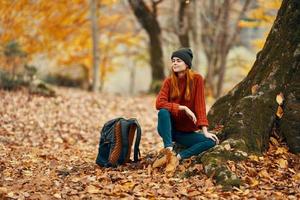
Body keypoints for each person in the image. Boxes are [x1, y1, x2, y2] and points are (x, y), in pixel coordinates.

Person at [153, 48, 219, 176]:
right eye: (173, 61)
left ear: (187, 64)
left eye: (178, 60)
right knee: (163, 112)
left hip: (184, 133)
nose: (175, 63)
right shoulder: (169, 81)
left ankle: (176, 158)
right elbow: (159, 103)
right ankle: (168, 149)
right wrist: (183, 108)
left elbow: (200, 105)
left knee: (212, 141)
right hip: (168, 130)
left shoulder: (197, 79)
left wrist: (205, 131)